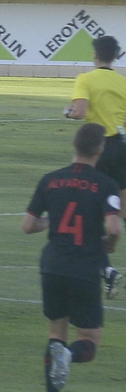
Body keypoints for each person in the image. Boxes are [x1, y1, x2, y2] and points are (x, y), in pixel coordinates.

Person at [22, 123, 122, 392]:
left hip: (52, 265)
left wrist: (49, 223)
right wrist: (110, 244)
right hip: (84, 266)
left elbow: (28, 225)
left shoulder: (50, 180)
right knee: (89, 341)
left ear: (74, 146)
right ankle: (69, 356)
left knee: (56, 333)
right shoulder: (105, 184)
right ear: (100, 150)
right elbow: (114, 227)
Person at [63, 34, 126, 298]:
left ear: (95, 55)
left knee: (88, 210)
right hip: (122, 146)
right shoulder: (122, 82)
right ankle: (107, 269)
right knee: (122, 209)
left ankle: (106, 269)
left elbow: (80, 111)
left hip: (97, 149)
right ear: (115, 56)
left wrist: (68, 112)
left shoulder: (86, 79)